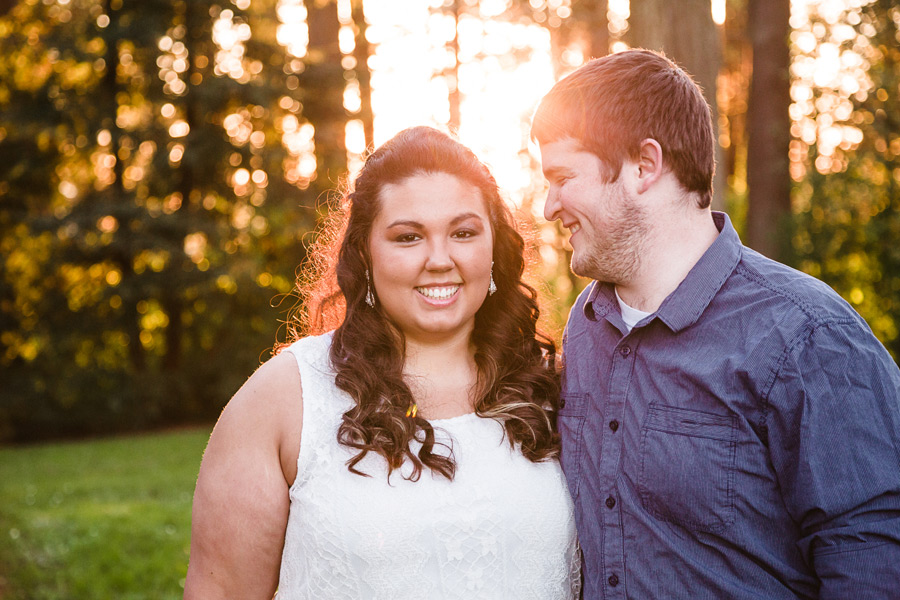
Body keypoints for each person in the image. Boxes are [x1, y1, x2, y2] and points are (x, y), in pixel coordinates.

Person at [532, 49, 900, 598]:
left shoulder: (808, 336)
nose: (547, 206)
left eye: (563, 177)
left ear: (643, 166)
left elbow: (872, 555)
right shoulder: (586, 327)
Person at [183, 126, 580, 599]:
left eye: (464, 232)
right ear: (364, 254)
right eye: (408, 237)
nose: (439, 259)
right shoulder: (285, 399)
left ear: (494, 248)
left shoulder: (556, 390)